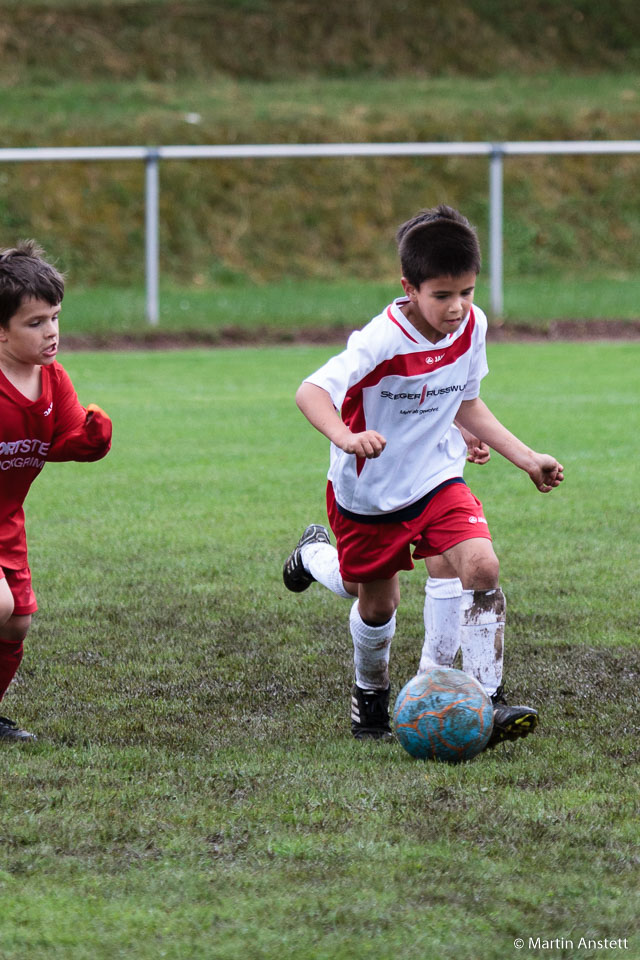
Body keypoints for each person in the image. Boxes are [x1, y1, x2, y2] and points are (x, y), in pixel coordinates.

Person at [283, 204, 563, 747]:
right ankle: (370, 693)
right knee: (372, 599)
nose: (457, 308)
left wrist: (527, 458)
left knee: (481, 565)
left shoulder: (472, 326)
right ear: (409, 288)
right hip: (369, 493)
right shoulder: (380, 341)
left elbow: (467, 401)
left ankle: (488, 700)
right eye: (442, 295)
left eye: (467, 293)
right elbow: (310, 391)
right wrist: (345, 437)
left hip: (436, 479)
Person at [0, 241, 112, 741]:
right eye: (35, 323)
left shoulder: (51, 378)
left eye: (55, 317)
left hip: (7, 520)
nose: (51, 332)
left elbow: (61, 440)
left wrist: (90, 439)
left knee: (16, 622)